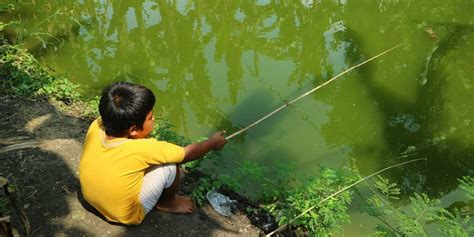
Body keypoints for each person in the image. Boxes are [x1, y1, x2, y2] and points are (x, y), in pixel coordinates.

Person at [79, 81, 227, 225]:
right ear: (133, 130)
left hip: (90, 198)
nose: (154, 118)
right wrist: (212, 143)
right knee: (170, 166)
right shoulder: (145, 148)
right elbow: (186, 154)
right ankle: (168, 203)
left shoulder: (97, 125)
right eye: (150, 118)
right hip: (124, 214)